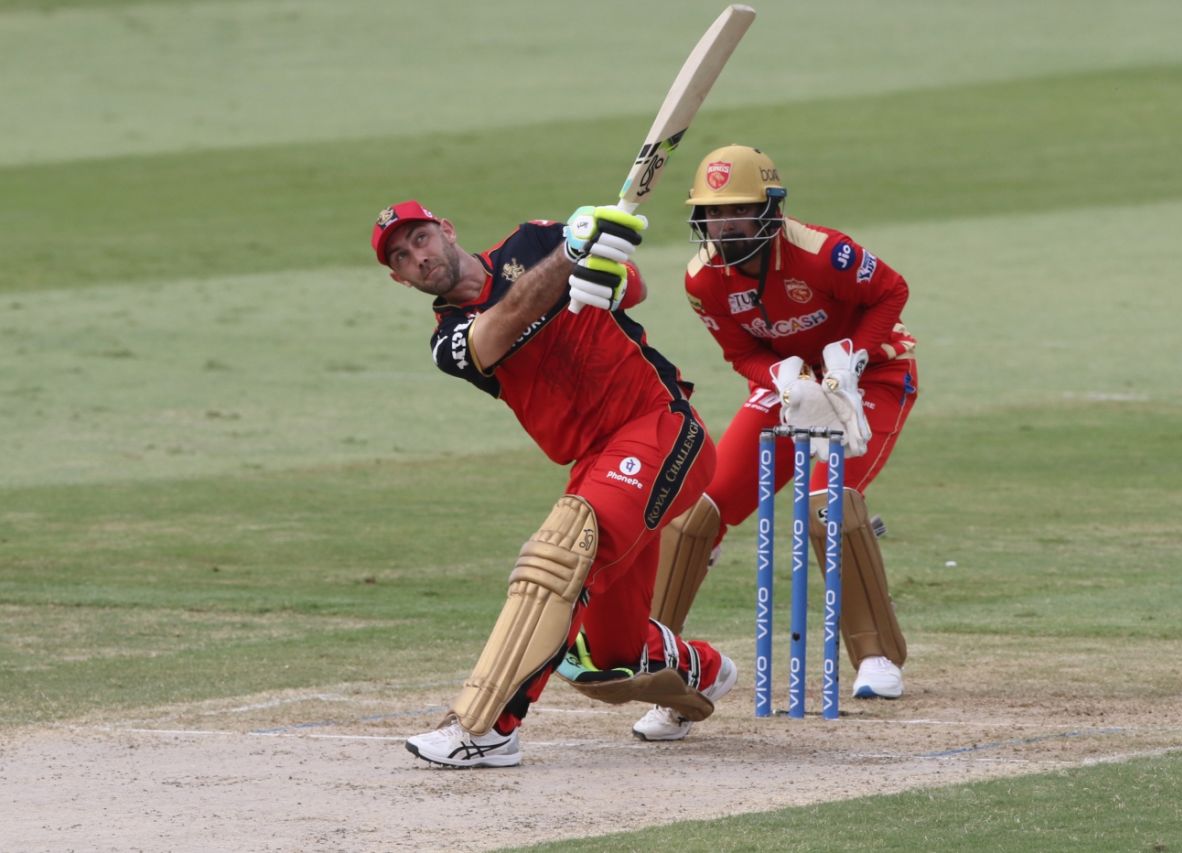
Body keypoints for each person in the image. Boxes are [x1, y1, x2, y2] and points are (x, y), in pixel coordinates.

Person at [368, 199, 736, 768]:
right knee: (611, 656)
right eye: (400, 257)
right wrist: (570, 257)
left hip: (659, 425)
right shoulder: (450, 341)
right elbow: (505, 322)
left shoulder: (532, 241)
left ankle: (487, 727)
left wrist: (611, 276)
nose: (417, 257)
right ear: (399, 279)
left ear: (446, 230)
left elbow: (633, 287)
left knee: (560, 556)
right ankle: (701, 670)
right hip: (595, 460)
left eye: (420, 239)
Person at [634, 145, 918, 741]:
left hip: (870, 378)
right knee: (696, 513)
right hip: (790, 387)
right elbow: (741, 352)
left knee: (825, 505)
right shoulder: (702, 279)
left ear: (769, 208)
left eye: (737, 209)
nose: (724, 225)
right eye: (712, 213)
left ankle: (877, 656)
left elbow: (892, 291)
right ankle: (658, 665)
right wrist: (783, 378)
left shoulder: (824, 253)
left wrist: (851, 357)